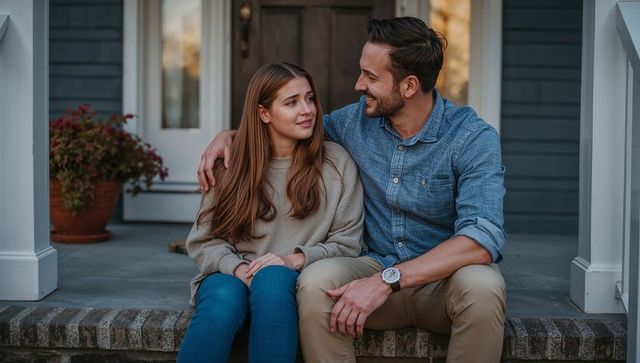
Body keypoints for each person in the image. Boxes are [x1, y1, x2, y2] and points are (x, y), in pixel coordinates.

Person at [198, 17, 506, 363]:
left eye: (371, 77)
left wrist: (388, 281)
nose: (359, 85)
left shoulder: (471, 137)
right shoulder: (353, 123)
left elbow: (483, 238)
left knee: (484, 287)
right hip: (370, 267)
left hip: (443, 282)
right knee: (315, 283)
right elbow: (283, 129)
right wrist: (230, 137)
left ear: (408, 86)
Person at [178, 62, 364, 363]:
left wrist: (293, 259)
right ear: (264, 113)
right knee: (222, 299)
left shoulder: (336, 163)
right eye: (291, 102)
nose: (307, 110)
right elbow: (204, 242)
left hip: (293, 279)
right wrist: (239, 270)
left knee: (274, 281)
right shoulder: (229, 164)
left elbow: (349, 243)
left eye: (309, 98)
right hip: (231, 275)